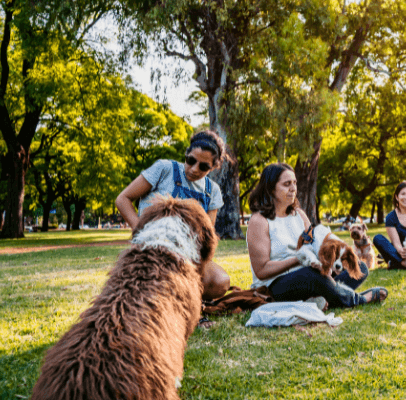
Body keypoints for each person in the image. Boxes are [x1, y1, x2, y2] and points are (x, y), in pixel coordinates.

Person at [246, 163, 387, 308]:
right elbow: (262, 270)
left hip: (309, 274)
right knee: (313, 276)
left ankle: (324, 297)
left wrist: (329, 261)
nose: (293, 188)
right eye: (286, 184)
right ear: (270, 188)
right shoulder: (259, 221)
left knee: (359, 267)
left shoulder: (299, 214)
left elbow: (315, 245)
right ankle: (358, 299)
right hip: (275, 285)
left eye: (294, 183)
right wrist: (298, 259)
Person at [115, 129, 231, 300]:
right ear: (186, 153)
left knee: (220, 282)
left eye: (203, 166)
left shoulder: (212, 191)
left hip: (187, 254)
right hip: (153, 247)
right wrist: (140, 230)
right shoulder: (164, 169)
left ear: (214, 167)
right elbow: (123, 199)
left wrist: (193, 265)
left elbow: (207, 236)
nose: (193, 169)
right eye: (190, 160)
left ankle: (183, 298)